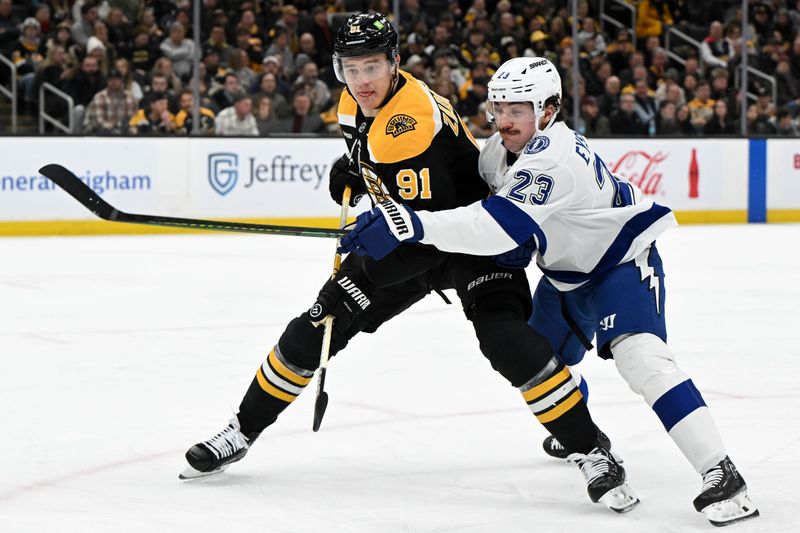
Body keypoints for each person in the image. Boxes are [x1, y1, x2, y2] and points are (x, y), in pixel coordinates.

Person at [181, 13, 637, 513]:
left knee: (505, 340)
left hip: (475, 241)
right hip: (414, 236)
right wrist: (354, 172)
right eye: (350, 69)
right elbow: (392, 185)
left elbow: (432, 235)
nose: (362, 81)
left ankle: (590, 448)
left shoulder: (410, 122)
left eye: (372, 66)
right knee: (318, 322)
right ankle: (241, 431)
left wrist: (366, 271)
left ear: (395, 63)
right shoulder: (355, 106)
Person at [340, 56, 760, 528]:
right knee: (537, 365)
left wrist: (407, 226)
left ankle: (723, 474)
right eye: (499, 108)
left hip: (619, 267)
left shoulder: (553, 158)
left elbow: (495, 227)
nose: (504, 121)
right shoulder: (497, 152)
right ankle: (584, 442)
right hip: (563, 278)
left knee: (642, 360)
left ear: (549, 109)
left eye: (518, 109)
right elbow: (475, 209)